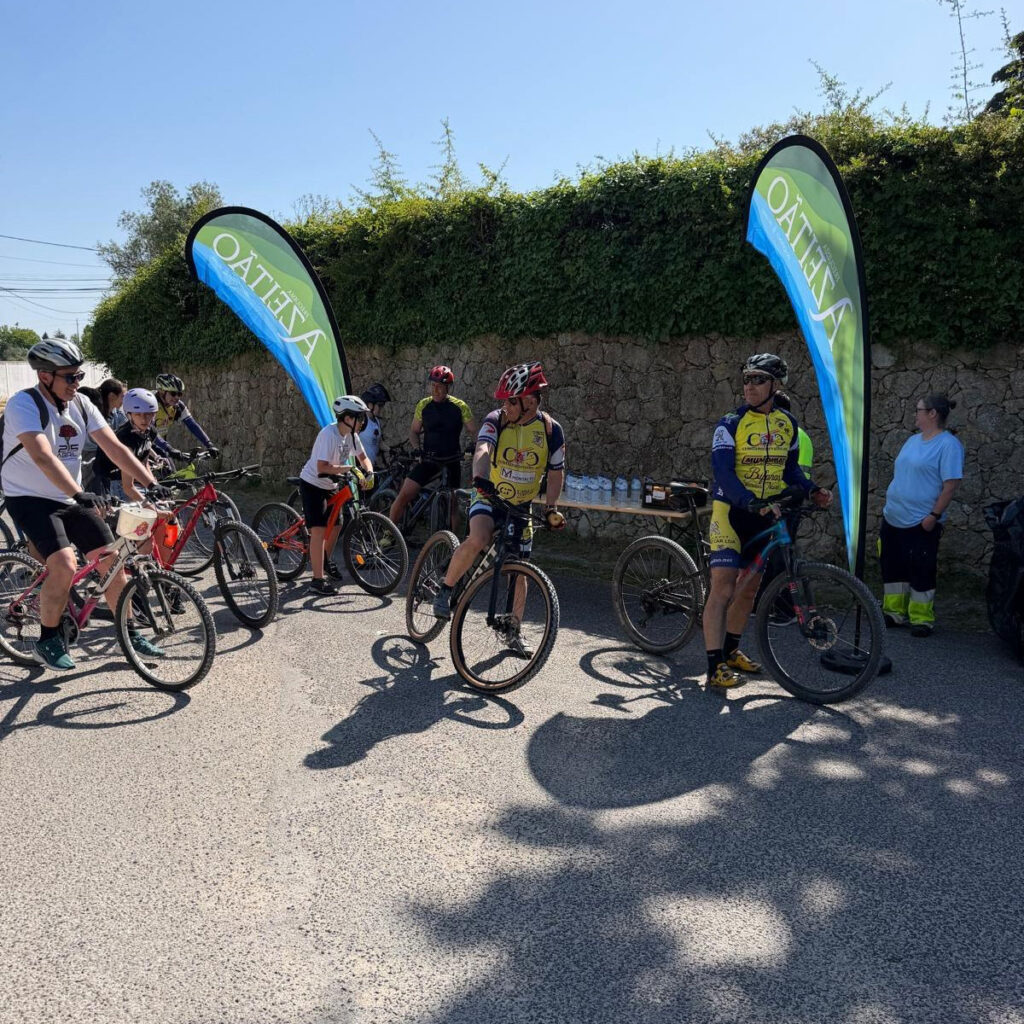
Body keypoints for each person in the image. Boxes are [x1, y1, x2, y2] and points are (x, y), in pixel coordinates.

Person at [0, 339, 169, 670]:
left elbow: (115, 448)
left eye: (79, 375)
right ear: (45, 376)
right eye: (70, 377)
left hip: (68, 495)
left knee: (111, 560)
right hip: (28, 496)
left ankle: (129, 632)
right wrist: (80, 493)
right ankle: (47, 640)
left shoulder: (80, 404)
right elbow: (43, 456)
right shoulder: (24, 404)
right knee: (64, 564)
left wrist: (151, 484)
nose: (77, 383)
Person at [703, 353, 833, 690]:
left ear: (776, 385)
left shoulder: (787, 424)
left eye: (758, 379)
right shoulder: (730, 423)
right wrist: (748, 500)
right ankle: (714, 666)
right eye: (747, 379)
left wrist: (812, 490)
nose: (750, 385)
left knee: (749, 591)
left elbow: (791, 470)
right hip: (732, 512)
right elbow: (723, 472)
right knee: (723, 589)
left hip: (764, 514)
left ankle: (731, 651)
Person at [432, 361, 566, 654]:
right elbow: (483, 448)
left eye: (511, 401)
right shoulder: (497, 419)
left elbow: (556, 473)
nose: (505, 405)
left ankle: (513, 629)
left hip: (520, 505)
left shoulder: (550, 431)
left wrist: (551, 507)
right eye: (505, 401)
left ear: (530, 401)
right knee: (479, 537)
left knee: (521, 569)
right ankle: (446, 588)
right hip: (488, 495)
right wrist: (480, 477)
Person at [879, 394, 963, 637]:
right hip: (894, 517)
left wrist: (934, 515)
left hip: (921, 521)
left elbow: (950, 485)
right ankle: (894, 612)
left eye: (918, 410)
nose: (915, 414)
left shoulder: (948, 445)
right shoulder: (912, 441)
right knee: (892, 566)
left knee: (921, 569)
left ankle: (921, 618)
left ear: (932, 414)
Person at [298, 395, 374, 595]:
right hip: (313, 483)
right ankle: (317, 581)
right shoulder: (328, 435)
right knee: (319, 530)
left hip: (331, 482)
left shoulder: (352, 436)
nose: (363, 422)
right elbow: (322, 467)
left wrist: (369, 471)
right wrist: (349, 468)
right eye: (360, 417)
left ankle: (323, 560)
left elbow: (363, 457)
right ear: (348, 418)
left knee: (338, 524)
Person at [388, 366, 476, 532]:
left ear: (448, 388)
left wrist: (473, 445)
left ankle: (452, 542)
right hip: (428, 459)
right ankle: (389, 532)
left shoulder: (460, 406)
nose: (435, 390)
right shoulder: (424, 405)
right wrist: (417, 448)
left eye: (440, 386)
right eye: (433, 386)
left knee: (452, 505)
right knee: (405, 494)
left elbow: (473, 431)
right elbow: (414, 431)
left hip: (451, 460)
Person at [92, 388, 166, 500]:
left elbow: (144, 463)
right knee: (146, 508)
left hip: (129, 478)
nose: (144, 419)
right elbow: (128, 487)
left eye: (148, 414)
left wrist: (155, 485)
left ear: (154, 414)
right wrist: (149, 504)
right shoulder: (126, 438)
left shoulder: (151, 432)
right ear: (129, 415)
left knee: (160, 502)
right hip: (111, 481)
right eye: (138, 414)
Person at [153, 373, 218, 457]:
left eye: (179, 394)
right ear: (161, 391)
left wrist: (209, 445)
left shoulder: (178, 407)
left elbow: (192, 425)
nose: (177, 397)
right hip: (141, 445)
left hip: (160, 446)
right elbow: (149, 432)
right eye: (173, 393)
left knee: (169, 465)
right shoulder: (150, 404)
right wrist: (169, 448)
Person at [358, 382, 391, 468]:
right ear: (370, 405)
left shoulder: (376, 421)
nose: (381, 408)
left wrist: (391, 450)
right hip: (361, 468)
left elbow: (378, 442)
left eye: (383, 405)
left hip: (371, 467)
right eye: (380, 405)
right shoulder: (362, 421)